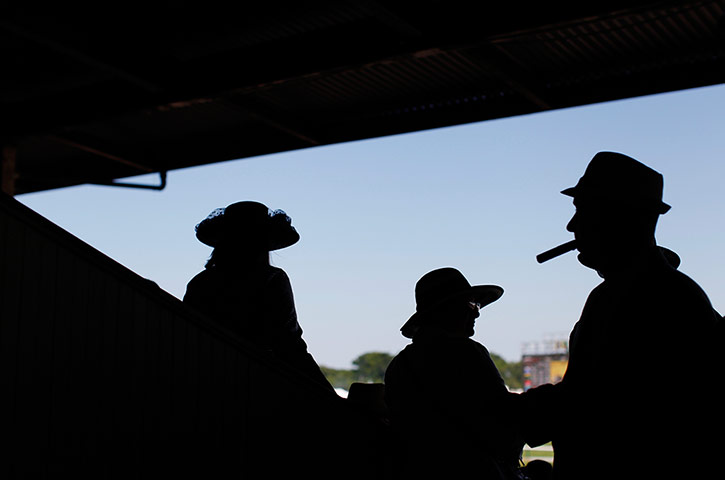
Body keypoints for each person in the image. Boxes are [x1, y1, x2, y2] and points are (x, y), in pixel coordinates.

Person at [521, 152, 720, 480]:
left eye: (582, 211)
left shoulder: (638, 298)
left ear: (618, 218)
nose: (572, 226)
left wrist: (502, 412)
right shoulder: (661, 292)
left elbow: (593, 403)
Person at [384, 267, 525, 478]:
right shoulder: (467, 352)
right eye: (471, 304)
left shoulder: (399, 365)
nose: (476, 312)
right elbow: (501, 420)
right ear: (446, 309)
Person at [183, 201, 334, 392]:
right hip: (257, 384)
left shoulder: (200, 283)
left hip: (203, 382)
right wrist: (327, 393)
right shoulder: (271, 279)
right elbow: (289, 344)